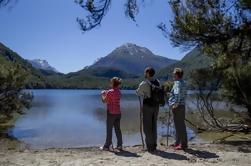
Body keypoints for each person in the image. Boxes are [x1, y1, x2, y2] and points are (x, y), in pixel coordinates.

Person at [136, 67, 160, 153]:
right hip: (156, 106)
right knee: (154, 126)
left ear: (148, 73)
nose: (144, 74)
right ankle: (154, 145)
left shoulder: (144, 83)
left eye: (145, 72)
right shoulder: (158, 81)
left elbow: (138, 93)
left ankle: (149, 146)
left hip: (147, 106)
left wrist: (139, 91)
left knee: (147, 127)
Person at [100, 77, 123, 151]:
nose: (110, 83)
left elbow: (104, 101)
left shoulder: (110, 91)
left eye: (111, 82)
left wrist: (102, 94)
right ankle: (120, 145)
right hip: (118, 113)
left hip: (111, 113)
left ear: (113, 83)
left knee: (109, 130)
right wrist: (107, 93)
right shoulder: (119, 91)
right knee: (118, 129)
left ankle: (107, 146)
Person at [168, 68, 188, 150]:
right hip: (182, 106)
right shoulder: (183, 82)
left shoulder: (177, 83)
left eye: (173, 73)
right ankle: (177, 142)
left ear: (177, 74)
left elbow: (177, 94)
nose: (173, 74)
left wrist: (174, 104)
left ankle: (183, 145)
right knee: (179, 125)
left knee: (180, 126)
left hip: (178, 106)